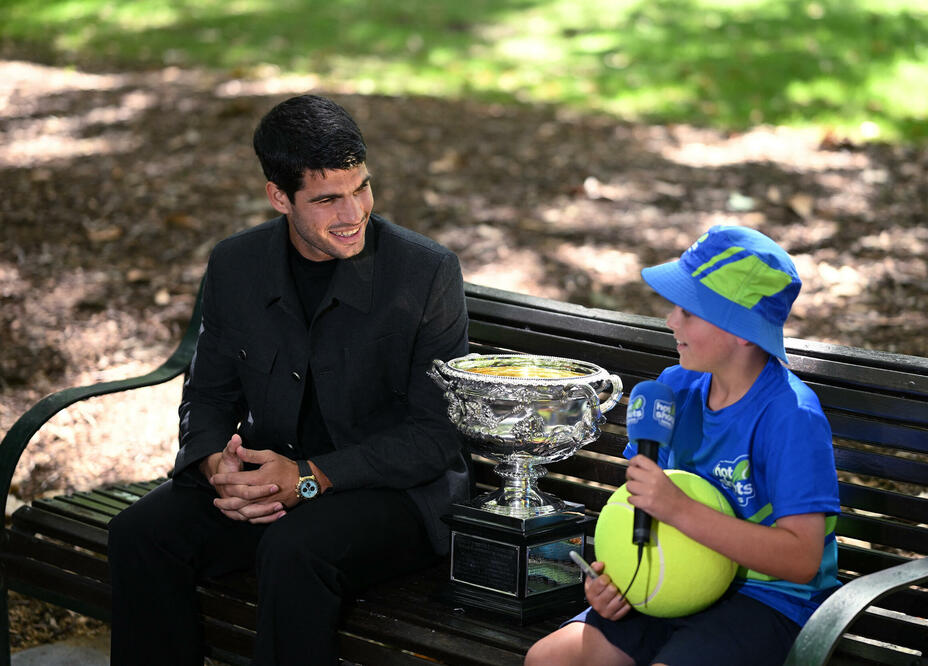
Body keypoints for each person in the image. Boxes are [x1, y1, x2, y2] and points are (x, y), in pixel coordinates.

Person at [107, 94, 470, 665]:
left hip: (392, 495)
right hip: (269, 479)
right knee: (139, 535)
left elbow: (437, 436)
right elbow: (208, 394)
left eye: (362, 188)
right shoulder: (235, 264)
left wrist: (307, 478)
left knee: (294, 549)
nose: (353, 214)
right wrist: (215, 468)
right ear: (279, 196)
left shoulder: (426, 272)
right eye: (327, 199)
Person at [525, 225, 840, 666]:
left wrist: (680, 509)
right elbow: (637, 510)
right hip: (667, 582)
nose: (671, 321)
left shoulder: (791, 417)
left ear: (742, 331)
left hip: (767, 601)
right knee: (549, 660)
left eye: (689, 311)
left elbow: (802, 559)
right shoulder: (674, 391)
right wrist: (610, 579)